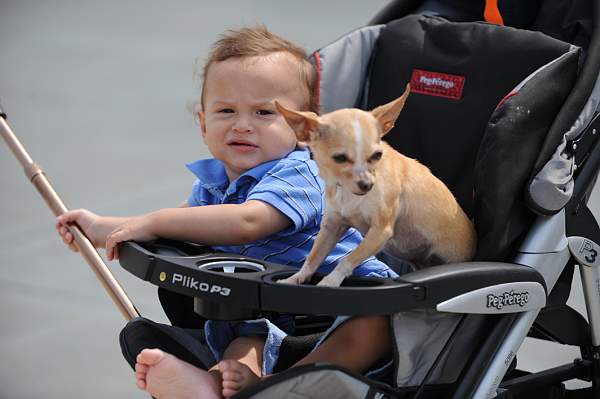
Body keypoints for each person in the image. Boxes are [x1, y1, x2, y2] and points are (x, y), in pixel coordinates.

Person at [56, 26, 397, 399]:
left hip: (338, 301)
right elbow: (184, 225)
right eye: (226, 110)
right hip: (268, 307)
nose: (242, 124)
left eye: (264, 112)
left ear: (305, 129)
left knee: (374, 326)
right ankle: (221, 384)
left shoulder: (305, 171)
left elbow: (249, 222)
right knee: (242, 334)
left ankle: (282, 387)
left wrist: (150, 222)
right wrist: (103, 228)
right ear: (203, 125)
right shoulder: (213, 183)